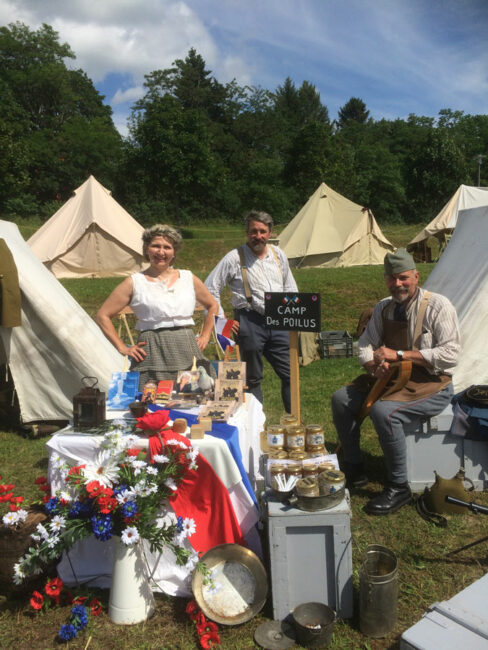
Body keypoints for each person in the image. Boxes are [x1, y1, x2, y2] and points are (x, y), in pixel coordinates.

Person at [331, 248, 460, 515]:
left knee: (384, 412)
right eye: (391, 279)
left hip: (431, 384)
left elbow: (450, 355)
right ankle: (354, 467)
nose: (397, 284)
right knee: (341, 400)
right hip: (392, 378)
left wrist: (400, 354)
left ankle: (399, 486)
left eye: (403, 278)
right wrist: (372, 365)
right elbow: (365, 345)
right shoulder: (383, 307)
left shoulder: (438, 306)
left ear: (416, 276)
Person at [96, 224, 219, 390]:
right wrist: (122, 347)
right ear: (147, 249)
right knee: (151, 400)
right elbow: (103, 315)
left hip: (185, 346)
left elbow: (212, 305)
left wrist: (205, 336)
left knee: (191, 399)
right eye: (155, 246)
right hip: (151, 350)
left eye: (167, 247)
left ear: (174, 252)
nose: (161, 252)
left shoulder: (188, 278)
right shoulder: (134, 282)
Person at [205, 210, 298, 413]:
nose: (258, 236)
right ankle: (256, 430)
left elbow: (290, 287)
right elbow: (210, 288)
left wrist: (295, 316)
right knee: (252, 378)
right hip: (249, 321)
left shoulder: (278, 254)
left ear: (271, 232)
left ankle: (295, 426)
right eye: (254, 231)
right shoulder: (234, 258)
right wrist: (222, 322)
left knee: (291, 374)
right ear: (247, 232)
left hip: (279, 321)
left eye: (263, 231)